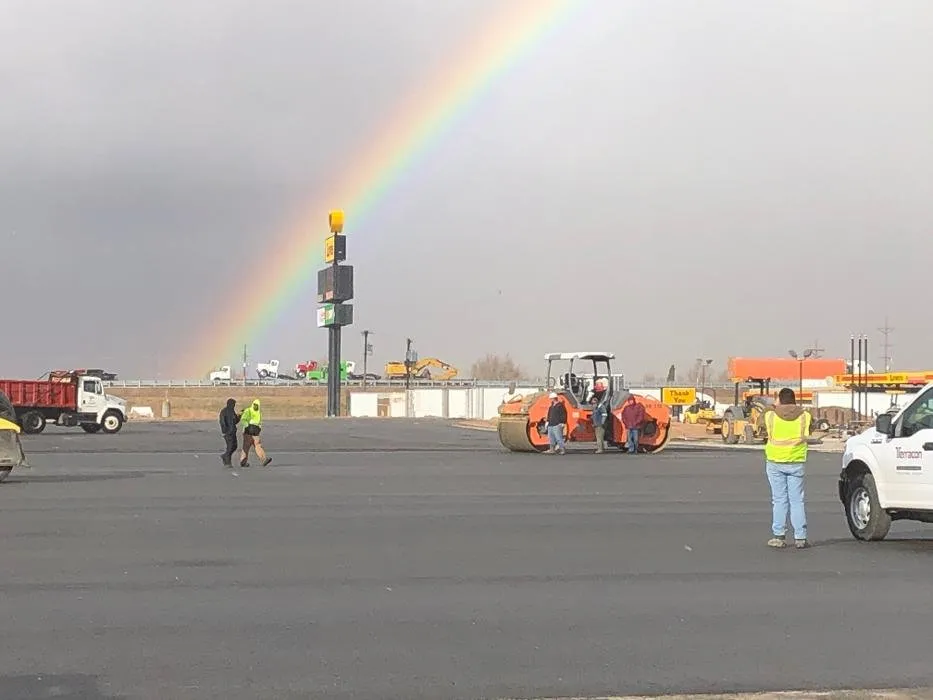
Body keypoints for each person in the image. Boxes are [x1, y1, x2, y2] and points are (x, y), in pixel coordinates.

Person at [763, 387, 811, 549]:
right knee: (797, 500)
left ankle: (778, 536)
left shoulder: (770, 416)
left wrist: (776, 406)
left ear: (779, 400)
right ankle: (800, 537)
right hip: (796, 462)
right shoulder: (805, 416)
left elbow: (761, 420)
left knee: (779, 499)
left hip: (775, 461)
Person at [238, 399, 272, 468]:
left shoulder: (258, 412)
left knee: (258, 445)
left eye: (257, 405)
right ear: (253, 404)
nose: (256, 406)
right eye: (255, 405)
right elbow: (243, 419)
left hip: (255, 432)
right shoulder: (248, 410)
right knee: (246, 447)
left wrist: (259, 428)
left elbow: (259, 422)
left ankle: (264, 459)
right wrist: (247, 426)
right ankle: (243, 462)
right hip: (248, 432)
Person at [218, 398, 240, 468]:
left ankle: (225, 456)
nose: (234, 406)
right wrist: (225, 431)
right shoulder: (224, 411)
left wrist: (239, 416)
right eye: (233, 404)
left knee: (235, 446)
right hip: (227, 432)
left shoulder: (232, 411)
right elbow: (222, 422)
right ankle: (227, 462)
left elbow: (235, 421)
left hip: (233, 431)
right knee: (230, 447)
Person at [591, 377, 610, 453]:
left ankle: (600, 449)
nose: (592, 404)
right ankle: (601, 448)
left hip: (600, 424)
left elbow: (604, 414)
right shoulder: (597, 406)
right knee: (599, 437)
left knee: (599, 437)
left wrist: (602, 422)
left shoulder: (600, 406)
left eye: (593, 403)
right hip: (597, 424)